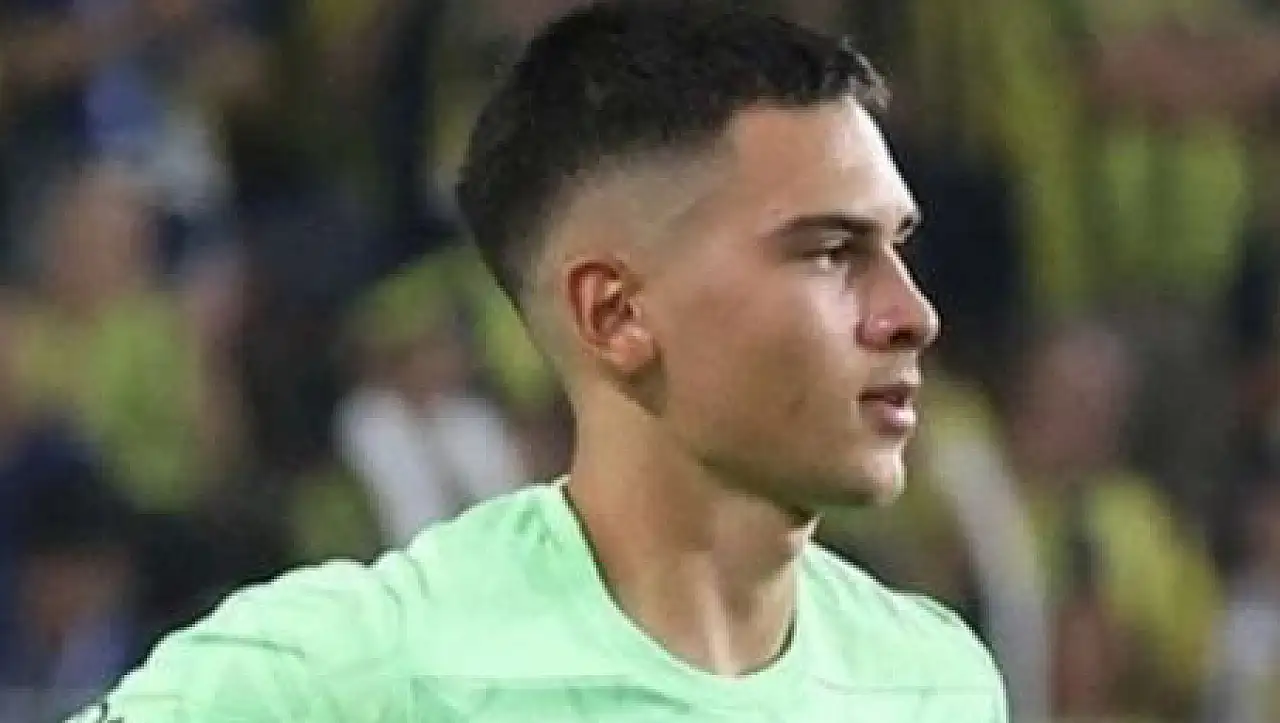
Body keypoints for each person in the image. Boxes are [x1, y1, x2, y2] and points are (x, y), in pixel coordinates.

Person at [70, 1, 1007, 720]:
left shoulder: (933, 680)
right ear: (616, 313)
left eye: (897, 248)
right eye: (831, 252)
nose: (912, 315)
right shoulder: (354, 671)